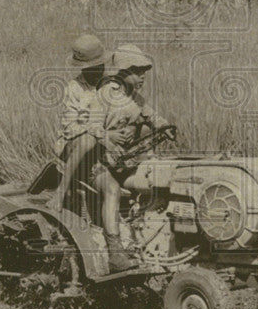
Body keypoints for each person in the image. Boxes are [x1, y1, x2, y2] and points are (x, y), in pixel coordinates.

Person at [94, 44, 172, 272]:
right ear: (123, 71)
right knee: (112, 190)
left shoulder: (136, 98)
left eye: (144, 72)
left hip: (126, 162)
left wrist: (164, 126)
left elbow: (153, 117)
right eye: (137, 71)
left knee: (159, 177)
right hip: (99, 164)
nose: (142, 76)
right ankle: (115, 250)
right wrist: (108, 136)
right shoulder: (104, 96)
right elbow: (88, 128)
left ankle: (152, 236)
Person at [55, 34, 107, 214]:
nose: (95, 71)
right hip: (76, 145)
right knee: (89, 140)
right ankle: (61, 191)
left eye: (99, 66)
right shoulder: (74, 89)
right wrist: (93, 129)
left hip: (106, 144)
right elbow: (69, 129)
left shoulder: (112, 85)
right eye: (89, 68)